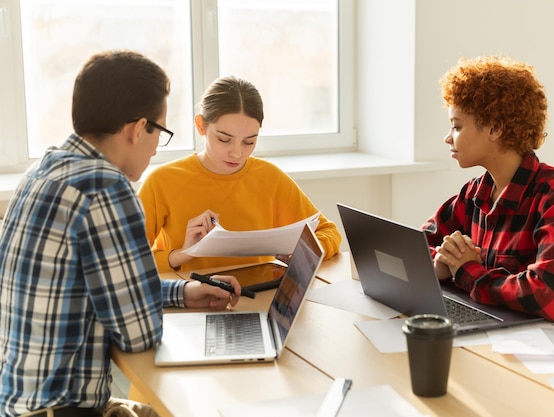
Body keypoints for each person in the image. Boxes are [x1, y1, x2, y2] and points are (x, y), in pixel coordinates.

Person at [0, 50, 242, 417]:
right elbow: (139, 332)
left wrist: (182, 292)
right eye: (159, 131)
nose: (156, 148)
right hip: (61, 408)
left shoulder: (44, 170)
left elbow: (102, 284)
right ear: (136, 129)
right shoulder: (105, 186)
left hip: (21, 400)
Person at [421, 55, 554, 340]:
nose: (448, 137)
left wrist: (467, 271)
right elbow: (416, 246)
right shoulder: (474, 194)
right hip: (519, 337)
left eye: (457, 126)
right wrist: (441, 264)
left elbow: (548, 297)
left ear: (494, 128)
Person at [138, 75, 342, 273]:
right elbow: (131, 263)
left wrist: (303, 253)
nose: (237, 153)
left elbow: (328, 232)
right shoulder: (162, 181)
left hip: (261, 296)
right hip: (191, 300)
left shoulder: (269, 177)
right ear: (201, 126)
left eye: (249, 142)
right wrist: (183, 253)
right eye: (224, 139)